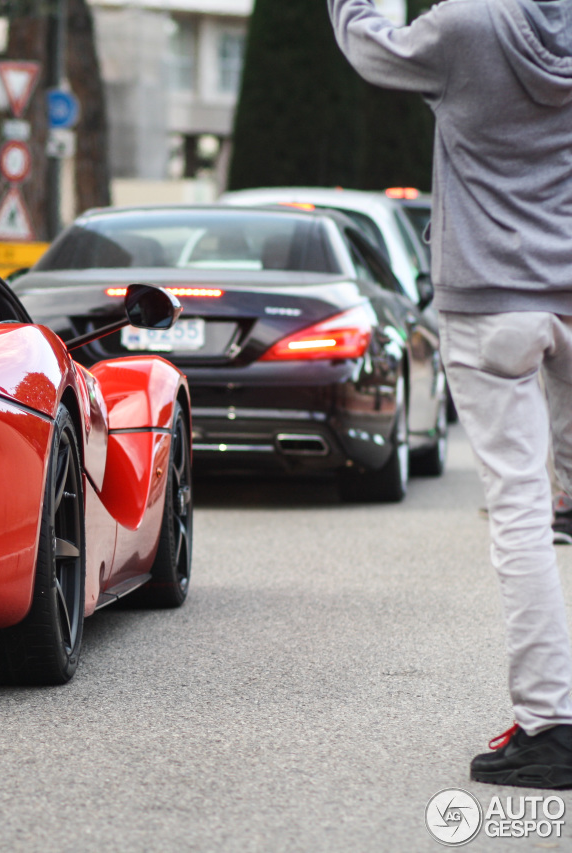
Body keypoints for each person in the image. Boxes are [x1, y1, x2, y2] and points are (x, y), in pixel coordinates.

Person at [330, 0, 572, 788]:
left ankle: (551, 724)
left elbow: (369, 49)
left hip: (494, 300)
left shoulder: (464, 28)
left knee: (524, 515)